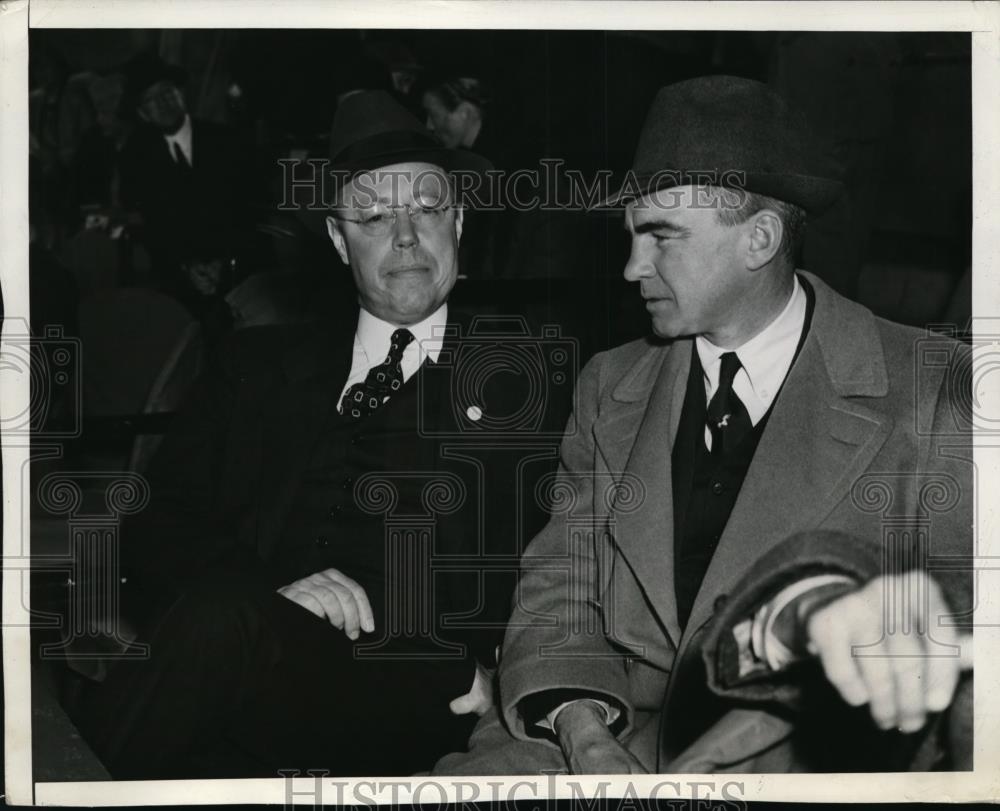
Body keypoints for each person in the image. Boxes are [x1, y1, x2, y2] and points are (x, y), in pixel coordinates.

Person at [434, 75, 973, 775]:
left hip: (811, 754)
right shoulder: (610, 383)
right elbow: (560, 584)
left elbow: (970, 606)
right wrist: (582, 729)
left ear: (759, 239)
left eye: (663, 237)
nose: (632, 267)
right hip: (603, 725)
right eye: (631, 236)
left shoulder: (932, 387)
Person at [70, 90, 559, 778]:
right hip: (248, 669)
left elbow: (561, 567)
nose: (406, 238)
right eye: (374, 216)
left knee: (214, 627)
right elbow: (152, 520)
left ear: (459, 221)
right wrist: (275, 588)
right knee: (218, 633)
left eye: (426, 209)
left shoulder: (525, 381)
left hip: (413, 693)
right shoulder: (257, 364)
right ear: (337, 240)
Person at [118, 54, 253, 295]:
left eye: (167, 92)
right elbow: (148, 223)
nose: (163, 103)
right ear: (142, 113)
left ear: (181, 94)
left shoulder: (225, 140)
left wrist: (223, 262)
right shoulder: (136, 157)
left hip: (237, 268)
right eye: (151, 100)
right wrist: (186, 267)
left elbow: (245, 207)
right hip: (176, 278)